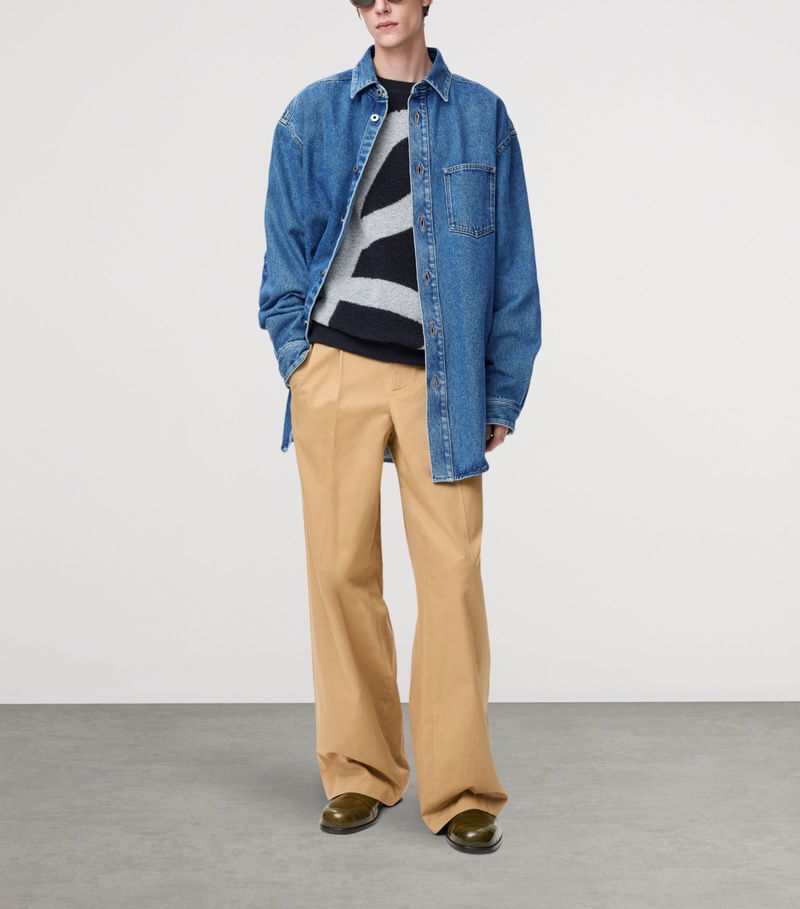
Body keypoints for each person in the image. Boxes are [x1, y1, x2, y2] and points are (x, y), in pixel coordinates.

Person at [258, 0, 541, 855]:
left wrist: (501, 389)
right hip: (336, 371)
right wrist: (299, 361)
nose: (379, 5)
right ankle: (359, 771)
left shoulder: (482, 117)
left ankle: (460, 791)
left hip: (442, 382)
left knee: (451, 578)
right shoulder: (311, 114)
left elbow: (514, 266)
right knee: (340, 572)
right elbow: (282, 254)